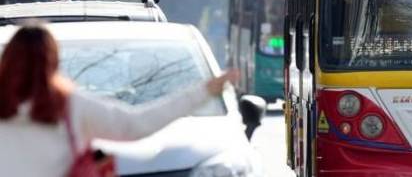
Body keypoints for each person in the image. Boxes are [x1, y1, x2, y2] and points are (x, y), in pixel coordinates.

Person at [0, 24, 239, 177]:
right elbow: (138, 124)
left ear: (7, 59)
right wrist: (204, 91)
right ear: (53, 62)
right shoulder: (71, 106)